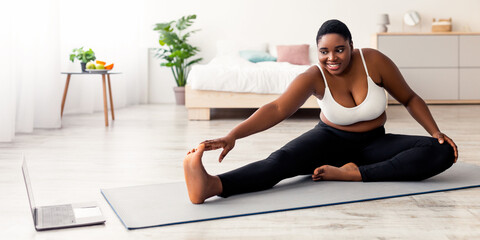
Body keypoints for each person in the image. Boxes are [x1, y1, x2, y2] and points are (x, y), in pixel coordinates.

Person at [183, 19, 458, 204]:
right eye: (324, 51)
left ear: (351, 45)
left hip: (375, 143)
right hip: (329, 141)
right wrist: (233, 135)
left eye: (339, 49)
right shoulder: (313, 76)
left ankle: (354, 173)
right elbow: (277, 108)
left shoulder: (373, 61)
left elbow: (409, 98)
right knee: (280, 161)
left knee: (441, 150)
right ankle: (213, 186)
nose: (332, 58)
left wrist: (435, 132)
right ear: (317, 51)